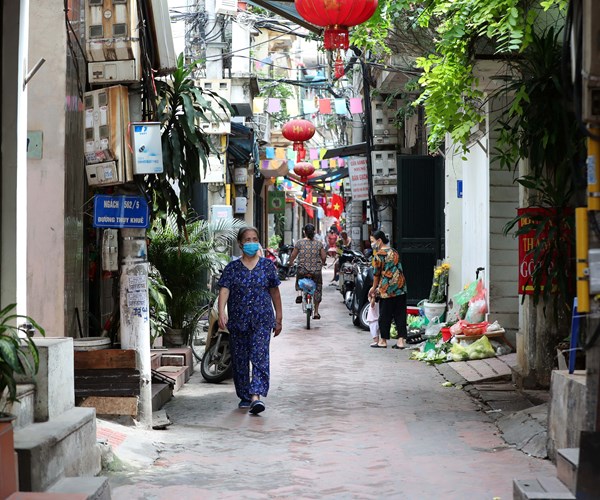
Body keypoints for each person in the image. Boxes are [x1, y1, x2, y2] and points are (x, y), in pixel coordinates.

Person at [218, 226, 283, 415]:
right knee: (240, 359)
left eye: (255, 239)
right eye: (247, 240)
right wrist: (222, 311)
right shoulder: (232, 268)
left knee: (260, 355)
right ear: (240, 244)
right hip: (238, 320)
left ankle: (256, 395)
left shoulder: (267, 266)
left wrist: (279, 317)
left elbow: (274, 292)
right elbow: (224, 289)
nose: (251, 243)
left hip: (262, 319)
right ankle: (245, 395)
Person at [368, 230, 407, 349]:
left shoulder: (378, 255)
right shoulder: (394, 251)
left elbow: (376, 275)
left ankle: (383, 340)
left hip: (387, 289)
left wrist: (373, 288)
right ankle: (401, 341)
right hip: (400, 286)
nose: (372, 244)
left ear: (379, 240)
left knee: (385, 315)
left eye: (372, 241)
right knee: (400, 314)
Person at [288, 223, 327, 319]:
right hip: (316, 271)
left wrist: (291, 262)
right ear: (314, 232)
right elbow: (324, 256)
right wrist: (323, 262)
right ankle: (316, 312)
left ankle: (299, 293)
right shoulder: (319, 243)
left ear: (304, 232)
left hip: (302, 270)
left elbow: (293, 255)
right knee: (318, 287)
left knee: (299, 278)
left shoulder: (299, 243)